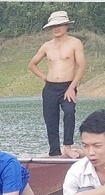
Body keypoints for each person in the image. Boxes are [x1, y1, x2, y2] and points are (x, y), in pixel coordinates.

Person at [28, 10, 87, 158]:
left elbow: (82, 66)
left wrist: (72, 87)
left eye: (60, 25)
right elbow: (32, 64)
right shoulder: (47, 46)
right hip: (50, 88)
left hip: (68, 86)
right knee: (50, 119)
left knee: (69, 112)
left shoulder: (75, 43)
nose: (56, 28)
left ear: (67, 26)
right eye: (53, 26)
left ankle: (68, 147)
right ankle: (54, 151)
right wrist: (45, 77)